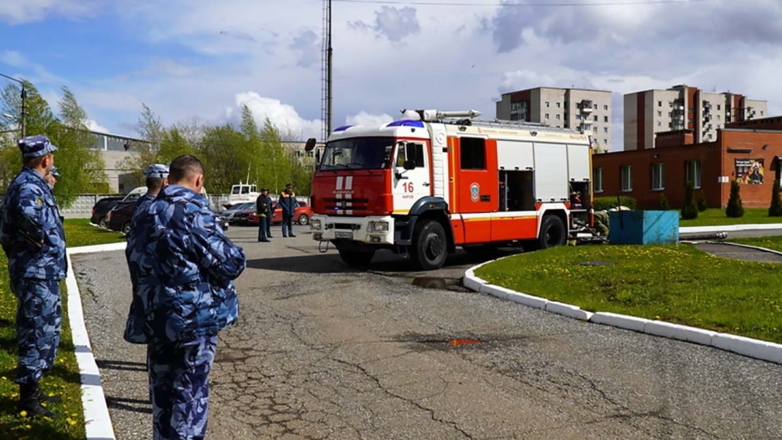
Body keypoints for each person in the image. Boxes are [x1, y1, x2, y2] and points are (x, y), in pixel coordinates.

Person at [124, 155, 246, 439]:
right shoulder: (194, 212)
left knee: (162, 395)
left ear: (169, 178)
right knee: (189, 398)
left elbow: (135, 258)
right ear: (199, 180)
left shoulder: (144, 212)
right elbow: (230, 264)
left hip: (156, 317)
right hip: (193, 322)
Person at [0, 135, 66, 418]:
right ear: (45, 159)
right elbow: (29, 217)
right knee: (35, 331)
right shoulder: (28, 186)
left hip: (42, 271)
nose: (52, 159)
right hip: (35, 271)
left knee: (45, 330)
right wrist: (42, 239)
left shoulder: (34, 184)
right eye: (51, 155)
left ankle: (34, 390)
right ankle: (27, 399)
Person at [123, 164, 170, 345]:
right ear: (165, 181)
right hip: (151, 269)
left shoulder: (142, 203)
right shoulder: (156, 207)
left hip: (139, 265)